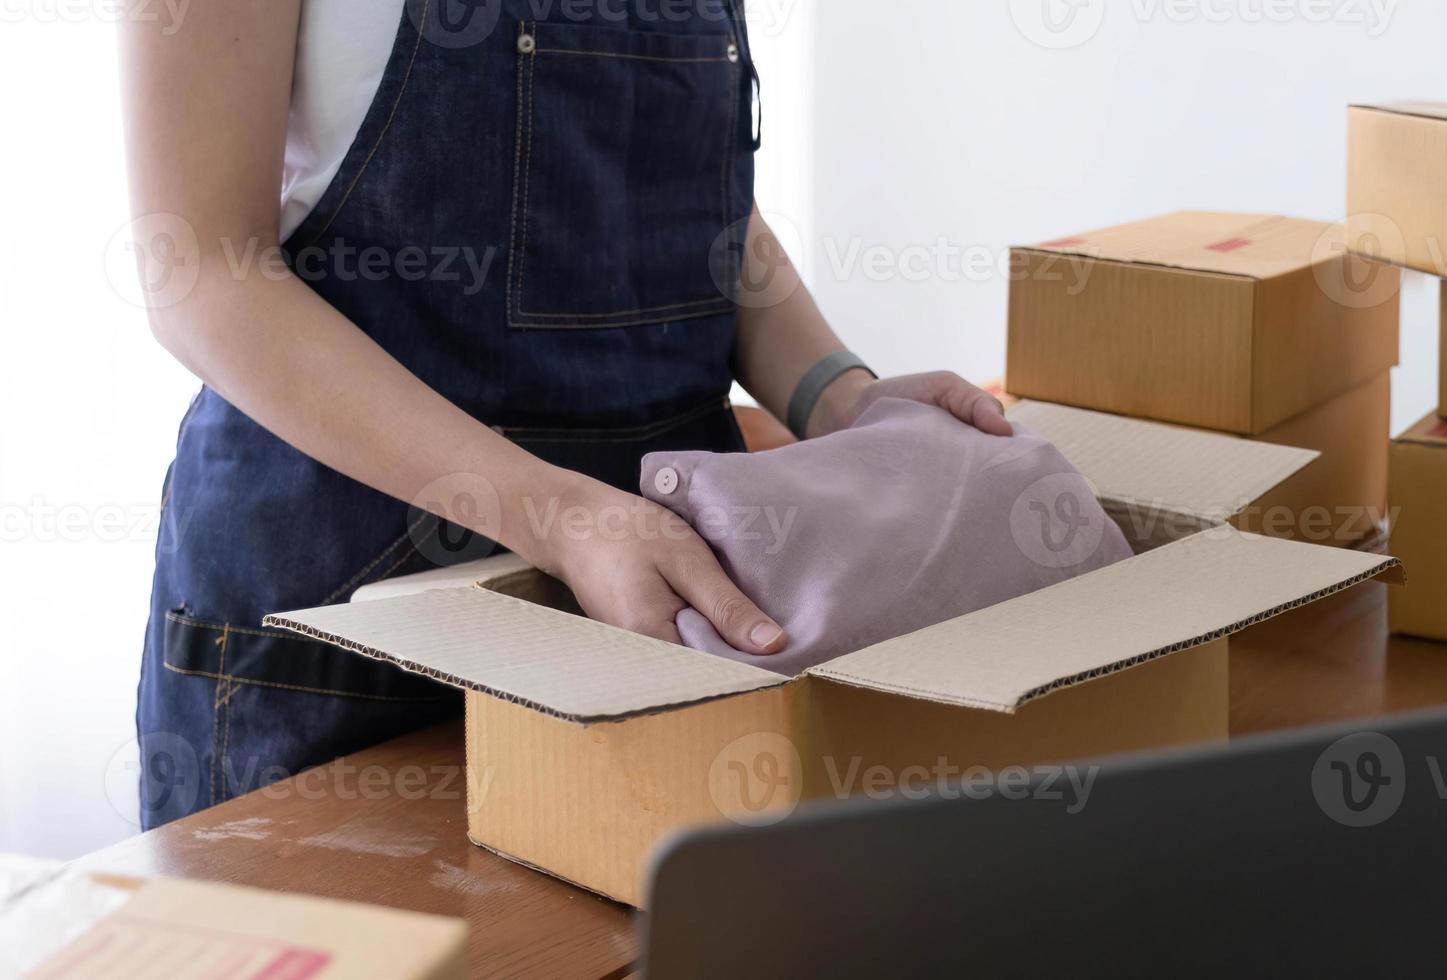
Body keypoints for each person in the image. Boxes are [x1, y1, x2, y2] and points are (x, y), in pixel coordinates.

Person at [119, 0, 1011, 828]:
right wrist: (562, 515)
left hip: (658, 631)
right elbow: (200, 270)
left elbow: (695, 210)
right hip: (342, 634)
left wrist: (838, 400)